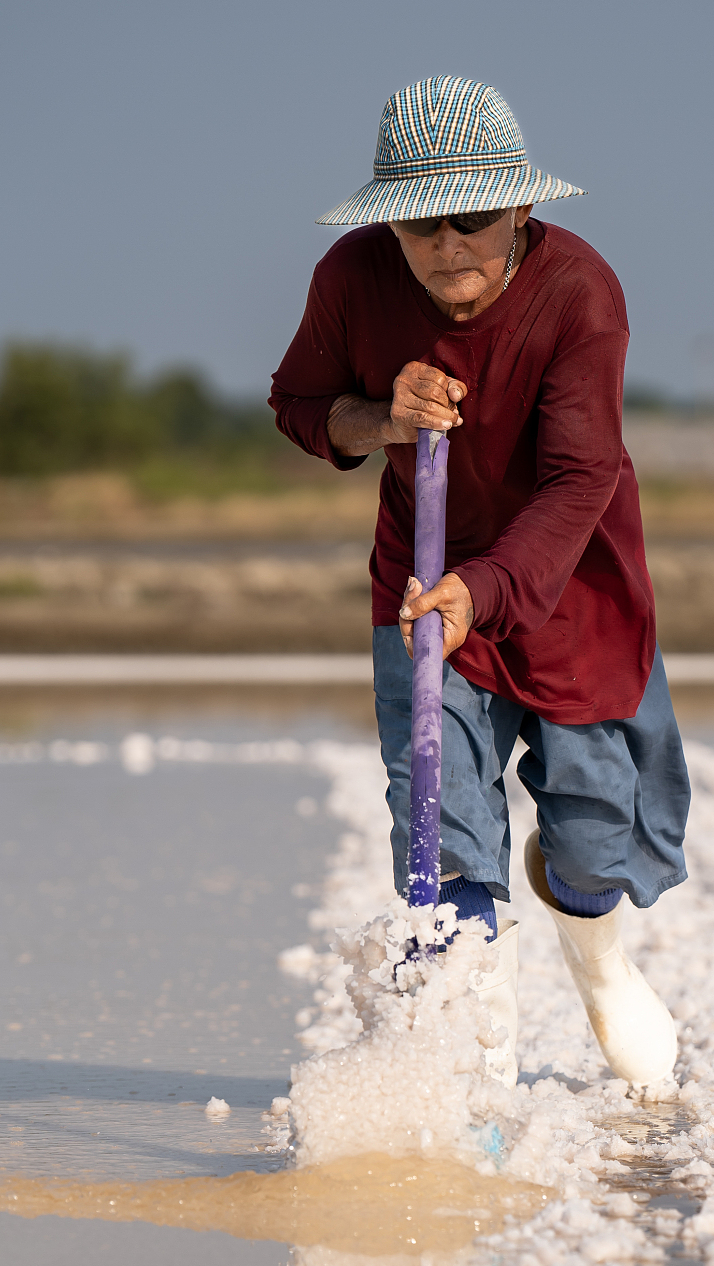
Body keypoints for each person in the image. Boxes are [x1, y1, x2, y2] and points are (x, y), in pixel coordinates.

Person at [269, 77, 688, 1090]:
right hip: (420, 590)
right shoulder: (351, 277)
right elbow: (300, 403)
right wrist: (382, 420)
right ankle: (477, 1066)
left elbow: (581, 475)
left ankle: (597, 959)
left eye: (472, 219)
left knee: (595, 840)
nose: (447, 245)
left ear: (521, 210)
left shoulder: (580, 293)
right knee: (445, 838)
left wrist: (484, 588)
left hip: (565, 585)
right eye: (420, 224)